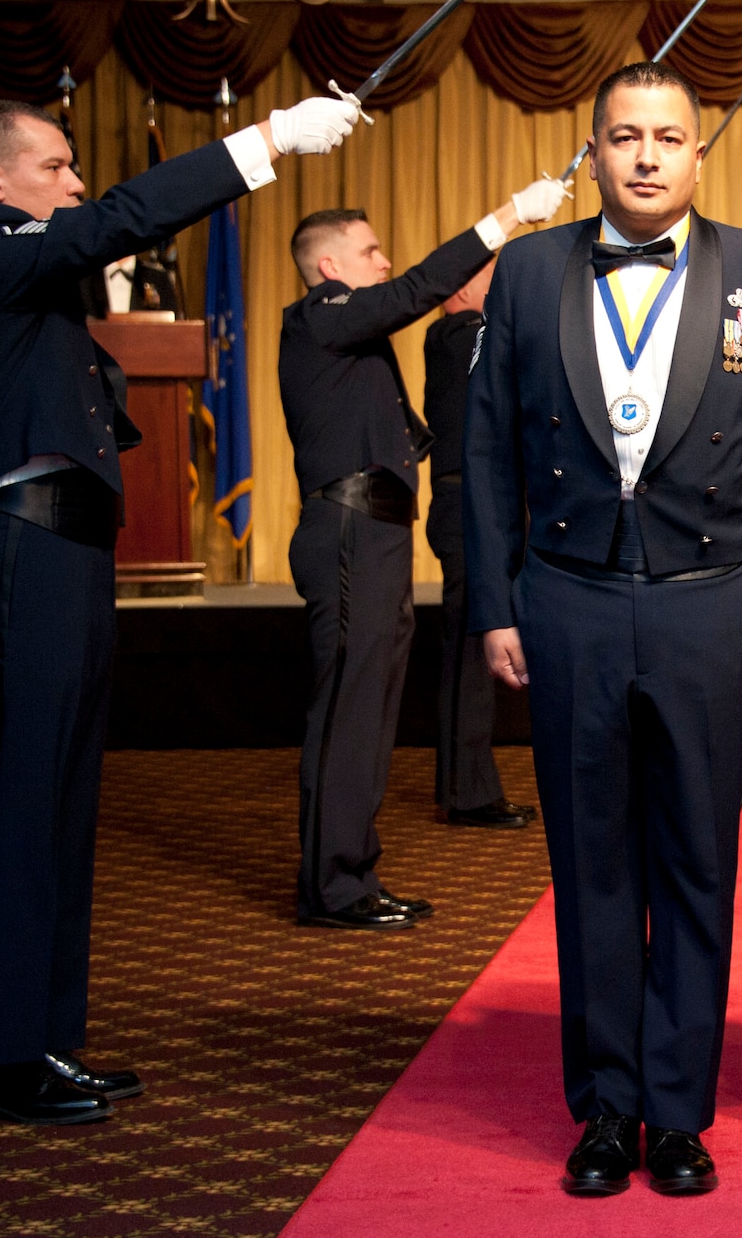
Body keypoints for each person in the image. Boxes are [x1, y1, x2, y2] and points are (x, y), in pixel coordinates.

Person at [0, 92, 362, 1126]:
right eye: (56, 166)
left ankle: (44, 1035)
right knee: (22, 805)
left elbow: (102, 238)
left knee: (65, 805)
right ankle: (0, 1058)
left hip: (70, 552)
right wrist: (262, 142)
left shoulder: (35, 279)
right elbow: (118, 218)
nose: (76, 182)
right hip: (19, 547)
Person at [465, 62, 742, 1196]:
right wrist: (491, 600)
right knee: (590, 871)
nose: (646, 156)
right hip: (564, 602)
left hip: (711, 603)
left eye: (667, 136)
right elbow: (479, 455)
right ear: (595, 150)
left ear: (697, 152)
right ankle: (605, 1107)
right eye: (623, 136)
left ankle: (678, 1110)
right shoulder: (524, 270)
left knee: (696, 866)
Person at [280, 177, 567, 930]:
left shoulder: (350, 337)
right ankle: (334, 886)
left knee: (367, 715)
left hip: (375, 533)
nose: (384, 262)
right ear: (331, 268)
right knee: (349, 714)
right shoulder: (322, 315)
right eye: (369, 251)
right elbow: (419, 289)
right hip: (349, 530)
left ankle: (351, 873)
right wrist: (506, 216)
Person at [419, 259, 534, 830]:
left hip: (477, 504)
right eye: (494, 275)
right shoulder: (458, 335)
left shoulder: (462, 337)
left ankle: (470, 785)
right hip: (470, 507)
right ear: (463, 287)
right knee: (470, 649)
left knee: (474, 648)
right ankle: (467, 791)